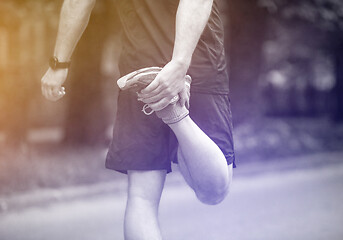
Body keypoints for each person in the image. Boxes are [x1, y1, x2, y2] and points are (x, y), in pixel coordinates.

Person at [41, 0, 235, 239]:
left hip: (142, 73)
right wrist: (179, 64)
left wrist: (59, 64)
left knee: (141, 197)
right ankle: (176, 115)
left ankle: (172, 111)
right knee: (213, 192)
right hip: (198, 62)